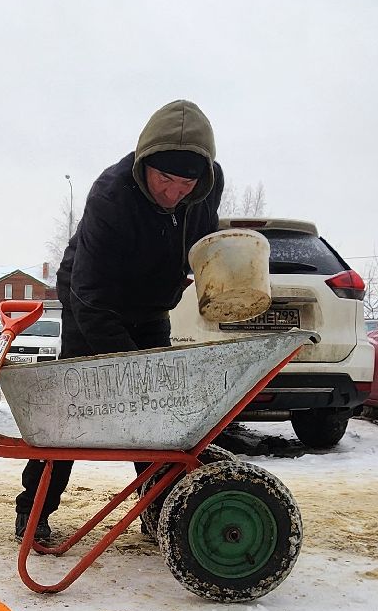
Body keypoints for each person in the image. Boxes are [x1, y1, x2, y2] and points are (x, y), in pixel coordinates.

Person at [15, 99, 225, 544]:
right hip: (90, 300)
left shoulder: (206, 186)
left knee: (159, 413)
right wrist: (132, 366)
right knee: (74, 413)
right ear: (144, 164)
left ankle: (161, 512)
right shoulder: (111, 196)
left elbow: (205, 240)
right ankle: (33, 514)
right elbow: (89, 297)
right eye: (165, 179)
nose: (174, 193)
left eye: (185, 182)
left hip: (150, 307)